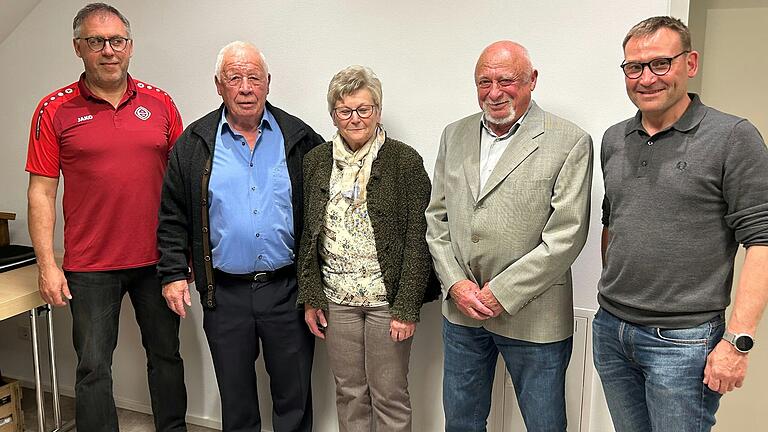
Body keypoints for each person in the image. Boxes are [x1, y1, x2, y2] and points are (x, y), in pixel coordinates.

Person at [594, 16, 768, 432]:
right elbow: (612, 222)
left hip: (683, 342)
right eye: (634, 67)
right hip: (611, 330)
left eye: (660, 63)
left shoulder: (733, 137)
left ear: (690, 64)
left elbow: (761, 241)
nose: (646, 78)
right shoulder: (614, 139)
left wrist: (738, 342)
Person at [25, 3, 187, 431]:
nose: (108, 50)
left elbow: (183, 185)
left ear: (130, 46)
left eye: (117, 41)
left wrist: (183, 255)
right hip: (89, 265)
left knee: (166, 356)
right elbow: (41, 191)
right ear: (78, 48)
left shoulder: (161, 103)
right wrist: (47, 265)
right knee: (93, 367)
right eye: (96, 41)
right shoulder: (53, 109)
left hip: (157, 261)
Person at [425, 40, 593, 432]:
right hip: (462, 313)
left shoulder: (569, 140)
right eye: (484, 81)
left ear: (532, 80)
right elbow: (437, 217)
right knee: (462, 422)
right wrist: (455, 285)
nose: (495, 92)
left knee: (544, 424)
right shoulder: (455, 134)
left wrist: (502, 292)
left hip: (534, 316)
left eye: (507, 80)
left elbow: (566, 235)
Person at [156, 41, 323, 432]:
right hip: (223, 294)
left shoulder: (299, 138)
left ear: (268, 83)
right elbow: (172, 214)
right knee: (237, 399)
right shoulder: (195, 143)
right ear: (219, 85)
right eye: (235, 78)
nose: (245, 87)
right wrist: (173, 272)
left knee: (294, 397)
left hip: (289, 291)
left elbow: (323, 212)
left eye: (254, 77)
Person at [298, 65, 438, 432]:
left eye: (364, 109)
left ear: (377, 110)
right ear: (333, 115)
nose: (355, 118)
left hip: (386, 303)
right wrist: (312, 296)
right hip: (336, 300)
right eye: (345, 111)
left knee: (389, 395)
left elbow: (418, 240)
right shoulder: (315, 161)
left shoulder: (404, 161)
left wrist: (407, 307)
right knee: (349, 393)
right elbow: (307, 235)